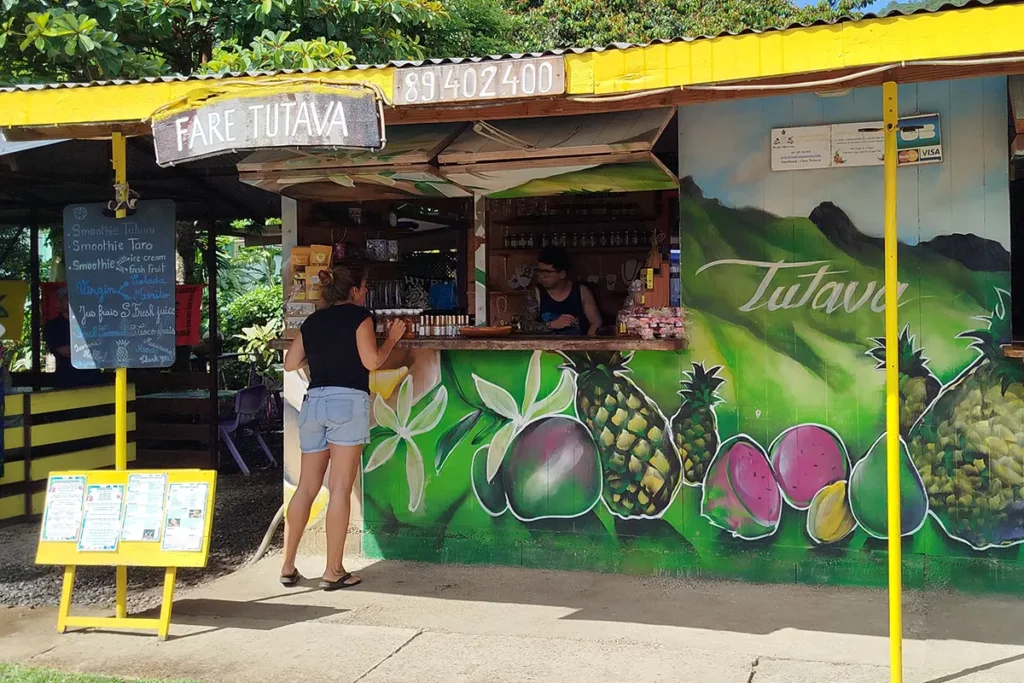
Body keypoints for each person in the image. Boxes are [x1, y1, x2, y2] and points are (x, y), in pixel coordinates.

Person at [281, 265, 406, 590]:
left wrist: (318, 359)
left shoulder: (313, 321)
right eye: (363, 287)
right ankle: (333, 570)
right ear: (354, 291)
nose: (366, 292)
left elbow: (290, 363)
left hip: (314, 403)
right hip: (346, 403)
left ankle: (288, 565)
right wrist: (392, 339)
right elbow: (372, 362)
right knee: (339, 488)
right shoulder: (359, 317)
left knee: (306, 487)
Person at [520, 246, 601, 336]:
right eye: (539, 271)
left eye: (547, 272)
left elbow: (596, 323)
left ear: (562, 274)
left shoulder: (582, 291)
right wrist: (552, 325)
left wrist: (588, 341)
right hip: (545, 344)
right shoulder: (536, 293)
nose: (541, 276)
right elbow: (525, 325)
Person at [44, 287, 102, 388]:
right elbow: (63, 351)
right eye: (67, 298)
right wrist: (87, 348)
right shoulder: (53, 326)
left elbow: (100, 348)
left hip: (93, 379)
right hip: (67, 380)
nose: (71, 300)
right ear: (59, 303)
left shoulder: (89, 322)